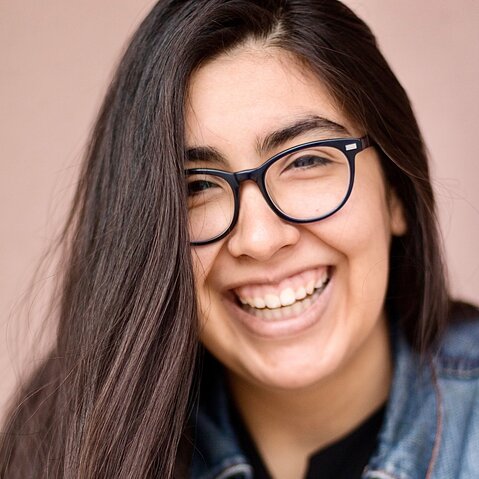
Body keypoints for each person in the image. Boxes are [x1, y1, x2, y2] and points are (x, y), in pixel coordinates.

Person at [1, 0, 478, 478]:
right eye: (197, 186)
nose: (260, 238)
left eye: (306, 160)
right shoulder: (56, 444)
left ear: (396, 191)